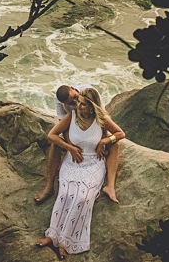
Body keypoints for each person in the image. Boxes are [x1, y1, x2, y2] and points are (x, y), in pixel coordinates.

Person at [35, 88, 126, 258]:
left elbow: (121, 133)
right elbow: (52, 135)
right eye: (77, 103)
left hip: (93, 164)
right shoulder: (72, 116)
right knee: (65, 194)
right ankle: (52, 236)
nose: (77, 106)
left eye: (82, 104)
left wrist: (106, 140)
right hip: (72, 163)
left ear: (91, 107)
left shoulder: (101, 119)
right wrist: (69, 148)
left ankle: (64, 241)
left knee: (82, 197)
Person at [35, 84, 123, 204]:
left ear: (74, 89)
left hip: (94, 128)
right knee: (55, 144)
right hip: (75, 129)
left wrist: (103, 141)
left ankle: (110, 187)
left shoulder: (90, 93)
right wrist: (70, 146)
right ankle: (49, 186)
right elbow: (63, 127)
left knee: (114, 144)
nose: (76, 103)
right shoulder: (62, 104)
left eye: (76, 98)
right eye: (71, 103)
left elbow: (103, 121)